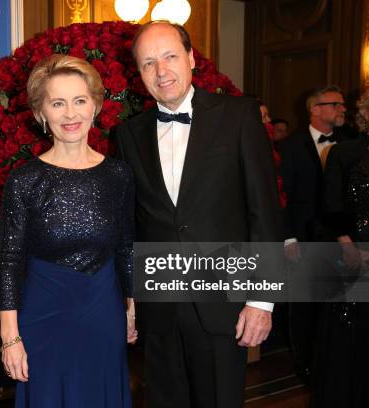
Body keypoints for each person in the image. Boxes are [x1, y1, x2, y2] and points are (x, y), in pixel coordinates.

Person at [115, 21, 283, 408]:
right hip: (159, 310)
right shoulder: (128, 134)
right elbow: (132, 225)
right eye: (148, 63)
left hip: (224, 305)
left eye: (171, 56)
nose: (161, 71)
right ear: (138, 73)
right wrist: (130, 298)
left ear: (191, 58)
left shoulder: (239, 116)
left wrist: (263, 301)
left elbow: (266, 215)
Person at [0, 54, 137, 408]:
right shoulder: (25, 179)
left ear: (95, 106)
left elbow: (126, 247)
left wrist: (132, 307)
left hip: (104, 313)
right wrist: (10, 337)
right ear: (42, 113)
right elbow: (10, 262)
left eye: (79, 101)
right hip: (45, 316)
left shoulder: (118, 175)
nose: (70, 114)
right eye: (58, 103)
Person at [313, 81, 369, 408]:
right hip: (349, 260)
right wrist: (348, 247)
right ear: (366, 112)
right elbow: (330, 206)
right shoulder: (342, 152)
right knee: (347, 344)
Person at [279, 85, 355, 382]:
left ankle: (334, 362)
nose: (342, 109)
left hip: (340, 237)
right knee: (303, 305)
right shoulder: (290, 146)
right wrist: (288, 237)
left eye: (342, 104)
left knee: (337, 302)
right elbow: (281, 196)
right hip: (303, 236)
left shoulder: (351, 143)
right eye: (335, 104)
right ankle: (305, 365)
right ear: (315, 109)